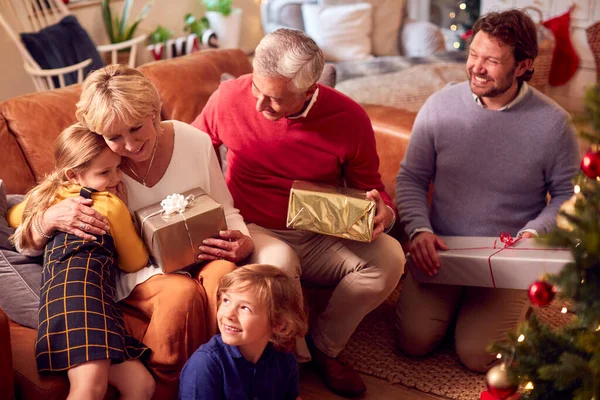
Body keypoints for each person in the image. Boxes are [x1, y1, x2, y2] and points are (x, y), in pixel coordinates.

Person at [15, 65, 254, 398]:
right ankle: (172, 390)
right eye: (114, 136)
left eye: (137, 127)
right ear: (97, 132)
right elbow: (25, 228)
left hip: (198, 252)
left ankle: (227, 384)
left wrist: (242, 240)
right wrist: (48, 219)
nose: (129, 144)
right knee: (180, 295)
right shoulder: (97, 168)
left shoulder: (194, 142)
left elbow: (226, 209)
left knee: (225, 279)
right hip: (138, 271)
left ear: (153, 111)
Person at [192, 28, 406, 397]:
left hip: (322, 230)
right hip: (254, 225)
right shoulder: (229, 97)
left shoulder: (348, 118)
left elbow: (372, 187)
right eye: (257, 90)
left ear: (310, 90)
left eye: (274, 99)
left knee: (389, 258)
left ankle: (325, 349)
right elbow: (191, 152)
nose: (259, 106)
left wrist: (382, 212)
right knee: (279, 261)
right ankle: (289, 358)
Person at [394, 9, 580, 372]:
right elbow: (411, 177)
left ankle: (515, 307)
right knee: (413, 341)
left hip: (505, 258)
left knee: (478, 355)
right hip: (442, 251)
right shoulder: (440, 106)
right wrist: (419, 230)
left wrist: (532, 235)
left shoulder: (555, 125)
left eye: (492, 61)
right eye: (473, 55)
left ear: (523, 65)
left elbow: (566, 195)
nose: (477, 68)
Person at [9, 123, 154, 400]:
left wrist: (45, 216)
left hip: (70, 301)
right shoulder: (109, 204)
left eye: (116, 167)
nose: (116, 178)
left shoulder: (48, 197)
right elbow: (135, 261)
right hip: (80, 299)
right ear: (73, 175)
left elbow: (13, 215)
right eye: (104, 172)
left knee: (140, 385)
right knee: (89, 388)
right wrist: (123, 212)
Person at [179, 264, 307, 400]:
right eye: (226, 300)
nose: (228, 314)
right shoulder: (204, 365)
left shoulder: (285, 361)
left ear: (278, 324)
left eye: (245, 308)